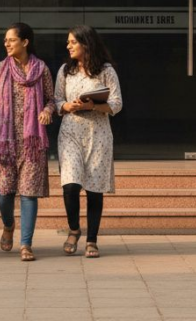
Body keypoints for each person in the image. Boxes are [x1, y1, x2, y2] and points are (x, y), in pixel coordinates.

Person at [0, 22, 54, 262]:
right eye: (5, 40)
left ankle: (26, 244)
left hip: (32, 143)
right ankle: (8, 224)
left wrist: (47, 111)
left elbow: (52, 99)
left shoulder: (41, 69)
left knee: (28, 194)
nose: (6, 44)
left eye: (11, 39)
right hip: (4, 142)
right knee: (4, 194)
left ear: (25, 42)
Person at [55, 25, 123, 258]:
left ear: (86, 43)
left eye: (73, 42)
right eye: (68, 42)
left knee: (94, 189)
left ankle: (92, 240)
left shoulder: (106, 71)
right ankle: (74, 229)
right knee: (70, 185)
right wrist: (67, 106)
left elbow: (116, 104)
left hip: (98, 133)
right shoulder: (66, 70)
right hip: (71, 132)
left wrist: (93, 105)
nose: (69, 46)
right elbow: (56, 102)